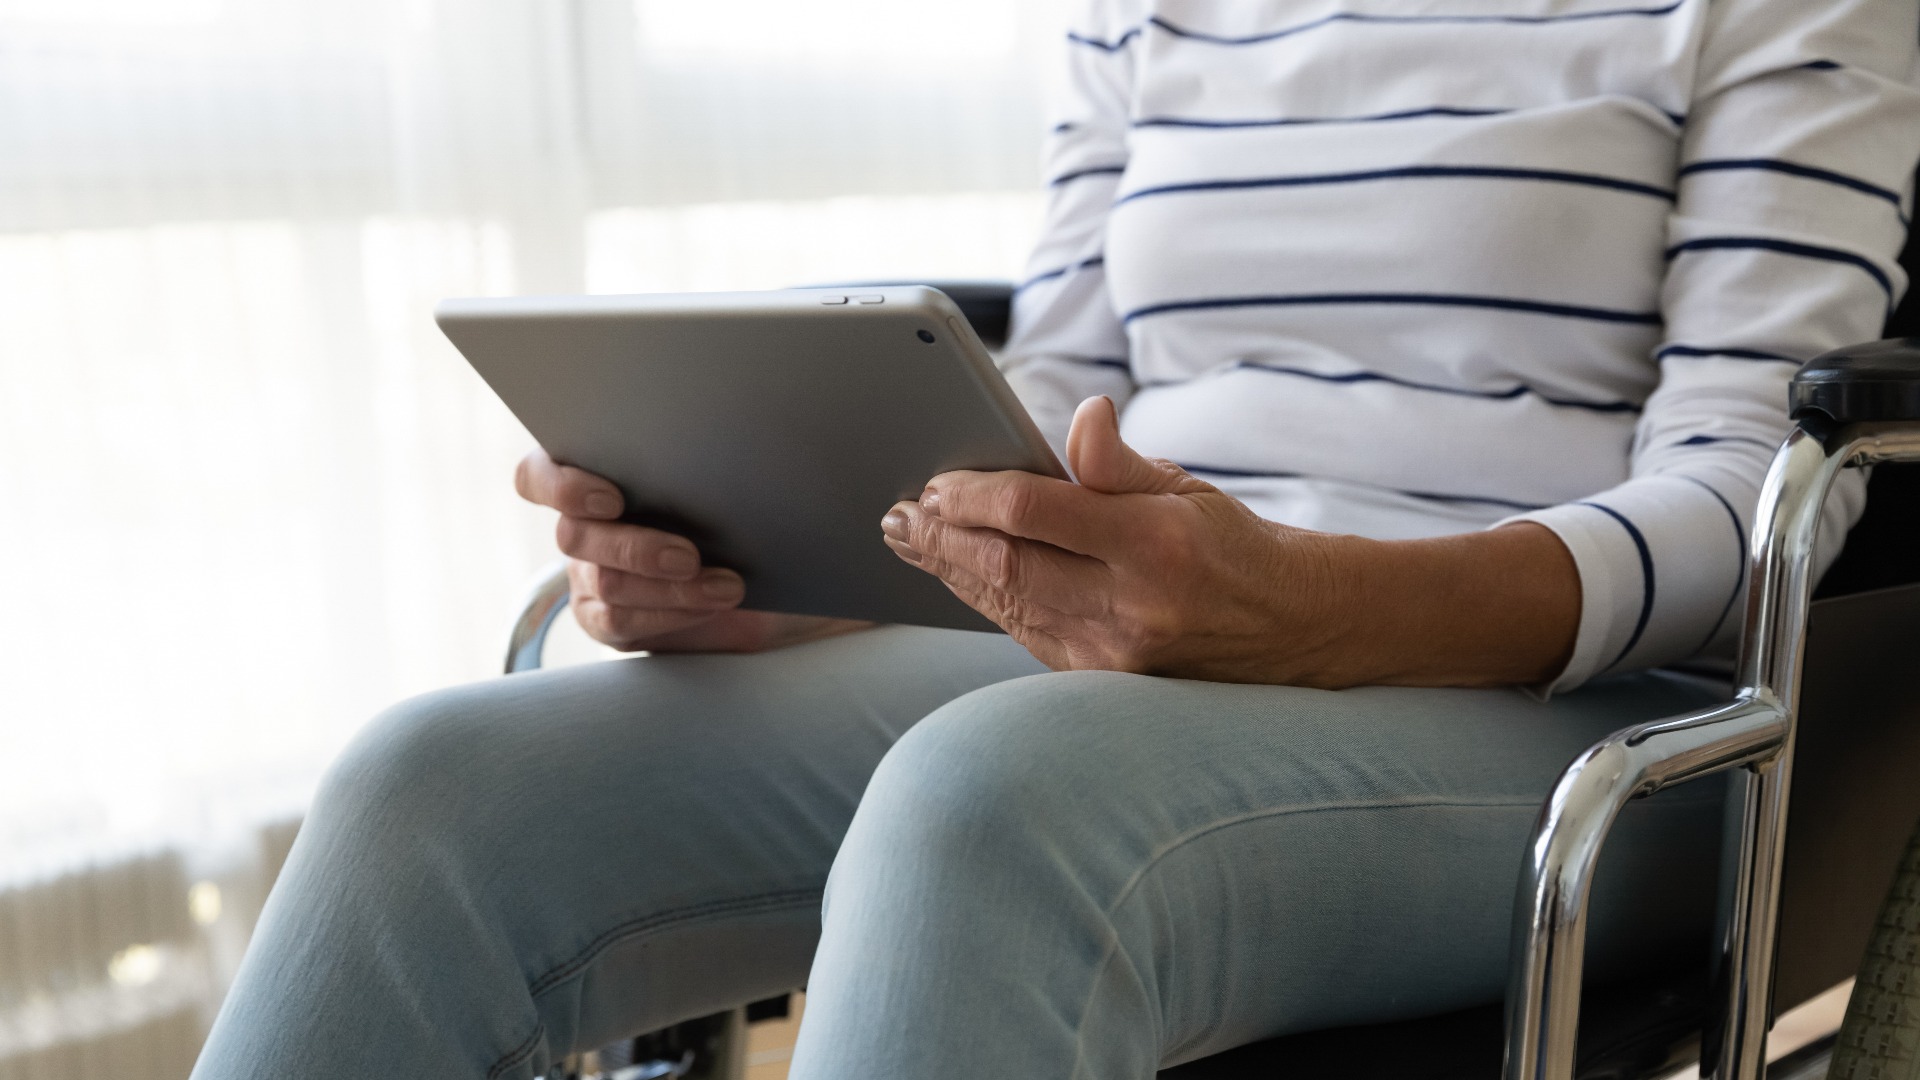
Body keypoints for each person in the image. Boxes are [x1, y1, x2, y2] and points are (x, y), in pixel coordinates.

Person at [192, 1, 1920, 1077]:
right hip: (1132, 644)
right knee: (436, 786)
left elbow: (1749, 499)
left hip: (1563, 706)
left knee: (1000, 807)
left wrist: (1318, 611)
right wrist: (776, 572)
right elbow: (1062, 416)